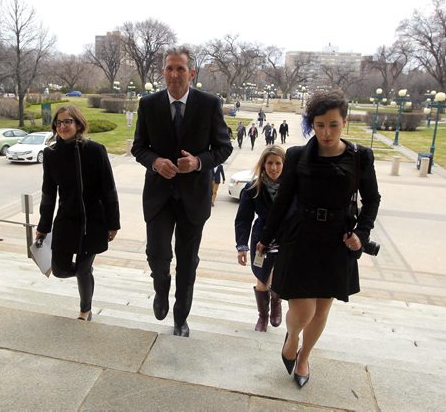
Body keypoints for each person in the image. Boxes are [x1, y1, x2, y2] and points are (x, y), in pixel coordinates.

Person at [257, 89, 380, 388]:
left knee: (322, 309)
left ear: (344, 122)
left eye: (333, 125)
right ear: (312, 123)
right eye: (320, 125)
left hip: (337, 241)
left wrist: (361, 236)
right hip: (301, 238)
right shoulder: (298, 156)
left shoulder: (360, 157)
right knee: (302, 311)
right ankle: (292, 340)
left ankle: (303, 357)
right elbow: (283, 201)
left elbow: (372, 200)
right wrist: (265, 238)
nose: (326, 132)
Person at [131, 46, 232, 337]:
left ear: (192, 73)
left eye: (180, 69)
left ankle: (180, 318)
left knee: (187, 264)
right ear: (164, 72)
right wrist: (155, 162)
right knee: (158, 256)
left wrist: (199, 162)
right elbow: (139, 147)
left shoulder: (209, 104)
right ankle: (160, 290)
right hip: (159, 197)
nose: (175, 74)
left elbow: (224, 148)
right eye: (170, 68)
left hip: (193, 200)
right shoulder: (148, 104)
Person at [35, 105, 120, 321]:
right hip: (66, 220)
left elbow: (108, 189)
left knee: (83, 268)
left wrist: (113, 223)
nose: (63, 126)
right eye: (59, 122)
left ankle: (85, 310)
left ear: (78, 124)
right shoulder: (51, 154)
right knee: (60, 269)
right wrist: (43, 227)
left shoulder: (95, 150)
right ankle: (86, 273)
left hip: (93, 221)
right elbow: (48, 193)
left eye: (68, 121)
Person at [235, 145, 285, 332]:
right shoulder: (253, 188)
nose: (274, 168)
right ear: (263, 165)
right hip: (261, 240)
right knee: (263, 279)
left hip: (285, 238)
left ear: (284, 164)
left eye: (278, 163)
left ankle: (276, 303)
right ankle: (263, 316)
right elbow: (243, 219)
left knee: (278, 276)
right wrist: (241, 246)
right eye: (270, 163)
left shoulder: (291, 188)